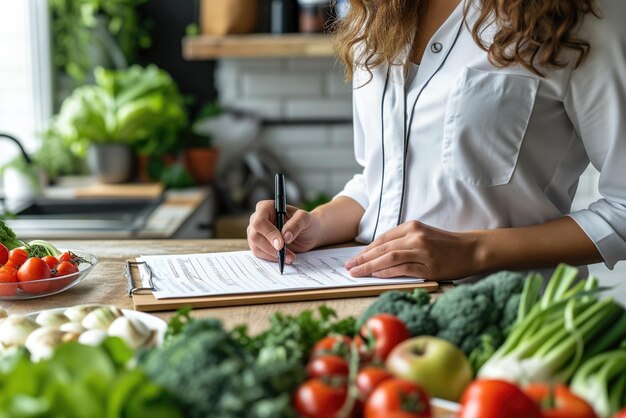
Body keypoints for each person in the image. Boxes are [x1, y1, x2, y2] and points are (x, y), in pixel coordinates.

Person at [247, 0, 626, 281]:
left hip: (510, 319)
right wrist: (314, 225)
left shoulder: (578, 16)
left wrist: (473, 251)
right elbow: (379, 182)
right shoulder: (373, 13)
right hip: (370, 309)